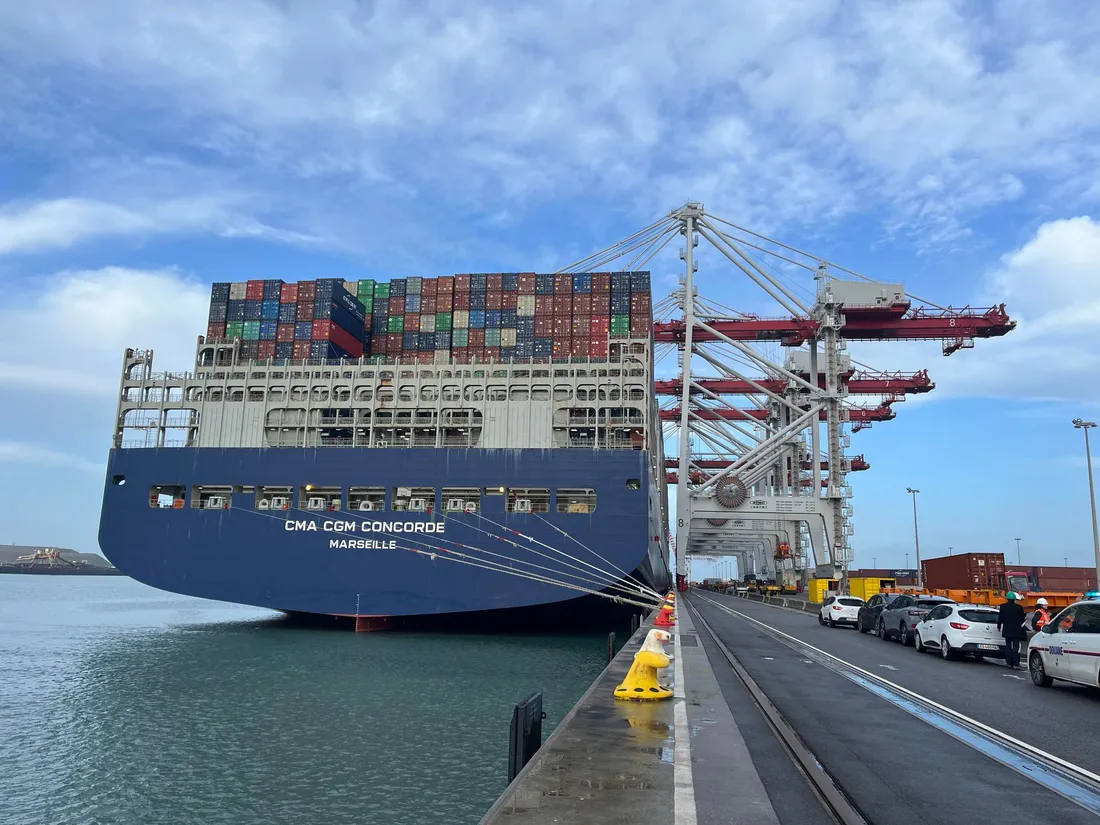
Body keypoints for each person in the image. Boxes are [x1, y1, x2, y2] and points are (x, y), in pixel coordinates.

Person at [998, 591, 1027, 670]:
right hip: (1016, 630)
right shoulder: (1019, 607)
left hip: (1007, 629)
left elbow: (1000, 618)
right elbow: (1022, 619)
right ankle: (1015, 663)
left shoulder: (1003, 606)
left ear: (1007, 598)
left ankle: (1008, 663)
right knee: (1015, 647)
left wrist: (999, 626)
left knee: (1008, 646)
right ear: (1014, 599)